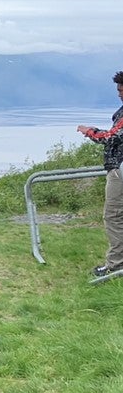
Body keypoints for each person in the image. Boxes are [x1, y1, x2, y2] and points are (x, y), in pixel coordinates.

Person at [76, 70, 123, 279]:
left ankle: (116, 265)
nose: (120, 94)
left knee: (113, 216)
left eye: (122, 90)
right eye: (118, 90)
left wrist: (89, 131)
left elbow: (110, 137)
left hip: (120, 170)